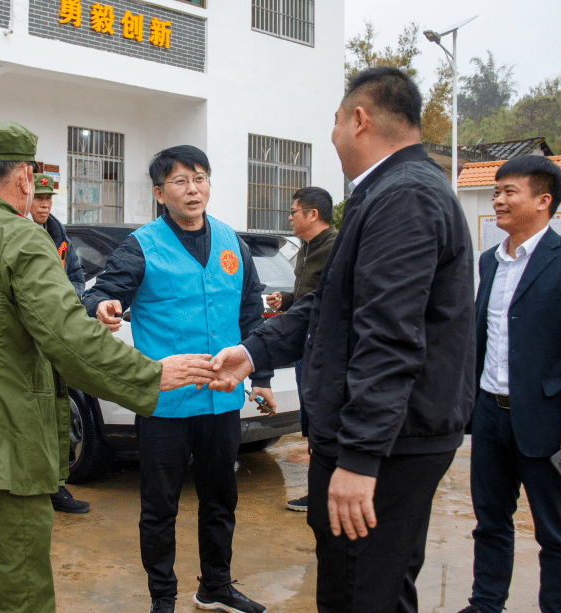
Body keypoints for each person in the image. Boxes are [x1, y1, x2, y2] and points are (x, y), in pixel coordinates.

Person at [0, 121, 216, 613]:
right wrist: (153, 376)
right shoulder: (20, 239)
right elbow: (68, 340)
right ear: (22, 177)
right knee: (12, 600)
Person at [209, 66, 476, 613]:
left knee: (358, 593)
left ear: (359, 119)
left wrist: (358, 460)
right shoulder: (385, 193)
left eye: (333, 124)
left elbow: (388, 338)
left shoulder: (404, 198)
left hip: (391, 444)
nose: (331, 138)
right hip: (389, 437)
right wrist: (255, 349)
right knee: (375, 587)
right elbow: (328, 306)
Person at [82, 145, 272, 613]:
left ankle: (216, 586)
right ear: (159, 193)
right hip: (165, 402)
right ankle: (162, 597)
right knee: (159, 507)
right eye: (181, 181)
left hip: (221, 398)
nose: (193, 189)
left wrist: (261, 375)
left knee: (220, 501)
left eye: (201, 178)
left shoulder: (232, 243)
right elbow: (105, 292)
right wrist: (103, 306)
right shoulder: (141, 245)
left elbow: (252, 314)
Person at [458, 156, 561, 613]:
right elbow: (483, 337)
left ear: (543, 201)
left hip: (547, 422)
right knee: (489, 522)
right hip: (489, 414)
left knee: (555, 531)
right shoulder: (491, 261)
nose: (499, 200)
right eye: (497, 191)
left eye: (510, 192)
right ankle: (486, 604)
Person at [265, 186, 338, 512]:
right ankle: (319, 491)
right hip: (304, 346)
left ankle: (326, 494)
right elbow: (308, 294)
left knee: (325, 422)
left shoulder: (335, 248)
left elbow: (328, 300)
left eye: (294, 212)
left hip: (327, 350)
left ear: (312, 214)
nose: (290, 218)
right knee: (312, 422)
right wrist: (287, 300)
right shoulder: (306, 249)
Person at [30, 170, 90, 514]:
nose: (44, 205)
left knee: (58, 413)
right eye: (39, 198)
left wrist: (72, 299)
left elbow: (77, 276)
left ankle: (56, 486)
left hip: (55, 340)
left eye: (49, 199)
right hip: (28, 344)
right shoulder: (17, 235)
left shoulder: (58, 235)